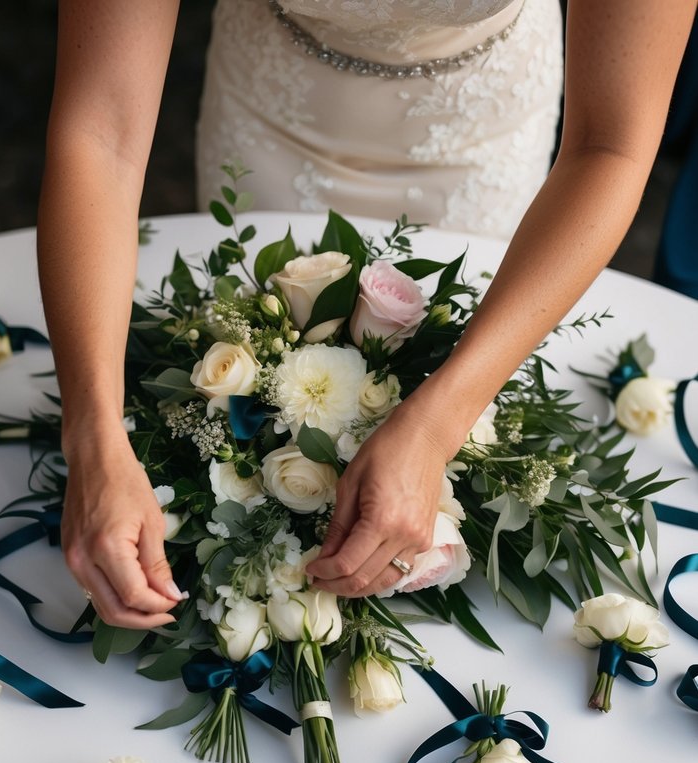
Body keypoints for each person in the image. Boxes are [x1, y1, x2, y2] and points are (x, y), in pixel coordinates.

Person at [37, 0, 696, 629]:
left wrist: (439, 422)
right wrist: (91, 433)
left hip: (480, 125)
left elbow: (609, 145)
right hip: (272, 108)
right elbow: (101, 129)